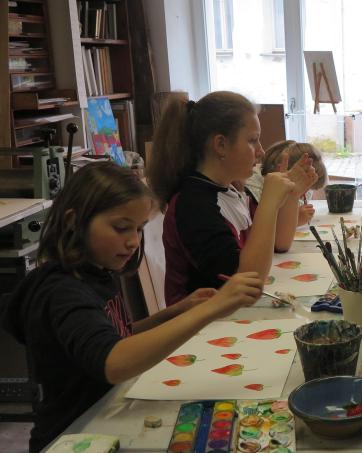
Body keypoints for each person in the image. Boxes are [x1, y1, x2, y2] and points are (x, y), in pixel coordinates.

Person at [0, 162, 264, 452]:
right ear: (75, 220)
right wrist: (209, 311)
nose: (132, 241)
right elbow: (113, 362)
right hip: (72, 437)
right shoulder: (62, 292)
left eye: (138, 230)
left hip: (103, 418)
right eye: (121, 227)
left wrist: (178, 310)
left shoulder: (95, 271)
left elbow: (116, 334)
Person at [147, 91, 317, 306]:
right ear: (220, 145)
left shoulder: (231, 189)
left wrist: (290, 195)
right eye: (252, 141)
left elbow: (280, 243)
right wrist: (269, 202)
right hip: (201, 329)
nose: (261, 152)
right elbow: (249, 281)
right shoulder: (193, 205)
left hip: (229, 315)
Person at [245, 140, 328, 252]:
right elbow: (276, 241)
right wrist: (296, 219)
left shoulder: (297, 184)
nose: (305, 192)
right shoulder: (254, 191)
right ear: (280, 170)